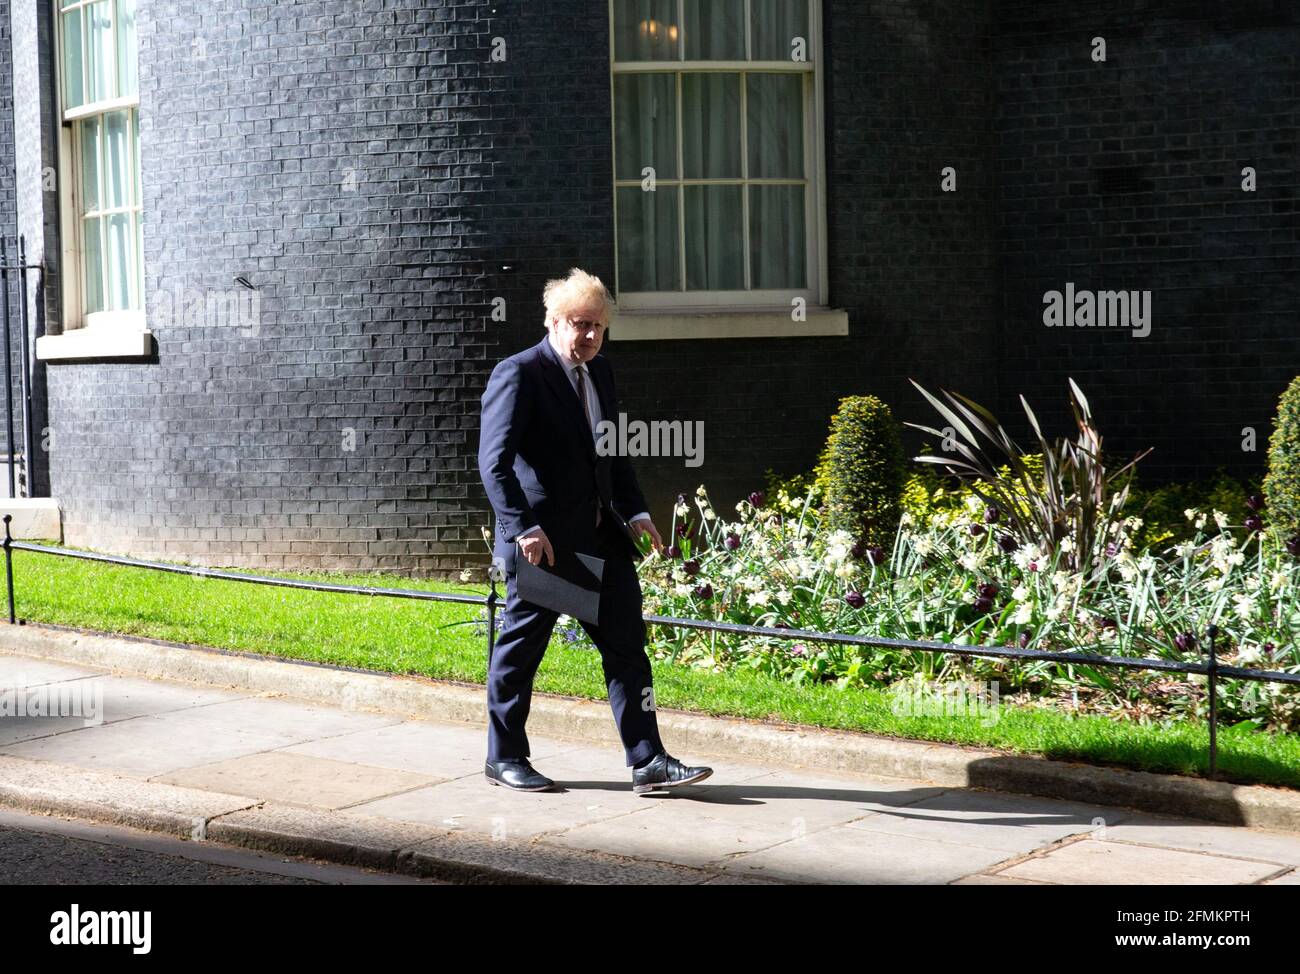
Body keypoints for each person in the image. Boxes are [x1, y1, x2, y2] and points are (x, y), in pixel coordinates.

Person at [477, 268, 713, 794]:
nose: (589, 337)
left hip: (601, 537)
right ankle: (504, 756)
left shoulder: (600, 373)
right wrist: (523, 529)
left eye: (598, 328)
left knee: (628, 647)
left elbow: (612, 451)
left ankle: (648, 759)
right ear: (553, 322)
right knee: (520, 653)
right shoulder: (518, 374)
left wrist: (635, 511)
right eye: (580, 325)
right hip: (545, 546)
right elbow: (494, 464)